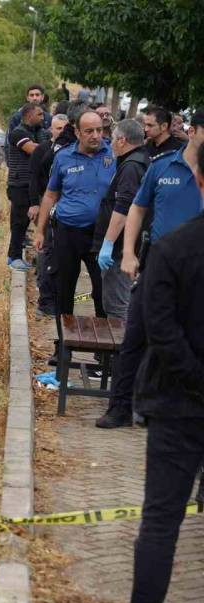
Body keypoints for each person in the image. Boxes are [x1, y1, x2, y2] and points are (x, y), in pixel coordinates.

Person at [122, 139, 204, 603]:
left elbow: (158, 325)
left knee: (161, 521)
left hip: (176, 402)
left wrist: (194, 376)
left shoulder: (172, 248)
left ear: (197, 180)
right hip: (180, 399)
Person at [96, 111, 204, 429]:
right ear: (194, 131)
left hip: (198, 272)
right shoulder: (162, 165)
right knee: (135, 338)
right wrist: (127, 253)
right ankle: (120, 407)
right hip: (159, 266)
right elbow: (138, 207)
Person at [34, 111, 115, 317]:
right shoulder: (63, 157)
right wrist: (40, 231)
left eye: (99, 130)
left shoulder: (113, 154)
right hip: (68, 232)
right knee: (65, 289)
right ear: (78, 132)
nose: (96, 135)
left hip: (100, 235)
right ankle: (63, 346)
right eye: (89, 131)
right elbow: (50, 196)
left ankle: (104, 348)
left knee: (102, 290)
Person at [92, 119, 150, 320]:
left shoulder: (132, 167)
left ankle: (121, 350)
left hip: (119, 248)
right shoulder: (138, 160)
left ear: (123, 140)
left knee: (117, 308)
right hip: (127, 245)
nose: (111, 143)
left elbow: (123, 208)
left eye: (114, 139)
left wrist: (107, 243)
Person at [29, 113, 69, 316]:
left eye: (65, 128)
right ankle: (45, 301)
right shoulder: (44, 150)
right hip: (48, 204)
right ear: (51, 130)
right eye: (58, 128)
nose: (61, 132)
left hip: (67, 209)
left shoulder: (72, 151)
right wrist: (35, 204)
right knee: (46, 250)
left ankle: (59, 300)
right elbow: (34, 178)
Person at [5, 103, 47, 270]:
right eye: (40, 114)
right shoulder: (18, 133)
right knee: (19, 222)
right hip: (18, 184)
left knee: (32, 223)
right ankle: (13, 256)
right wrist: (51, 146)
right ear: (29, 116)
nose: (43, 118)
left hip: (32, 185)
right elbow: (34, 150)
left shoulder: (38, 132)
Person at [4, 84, 52, 159]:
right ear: (27, 98)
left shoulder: (48, 117)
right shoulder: (17, 117)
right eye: (31, 95)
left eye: (37, 95)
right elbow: (9, 141)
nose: (34, 98)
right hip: (21, 161)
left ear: (42, 97)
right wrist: (9, 162)